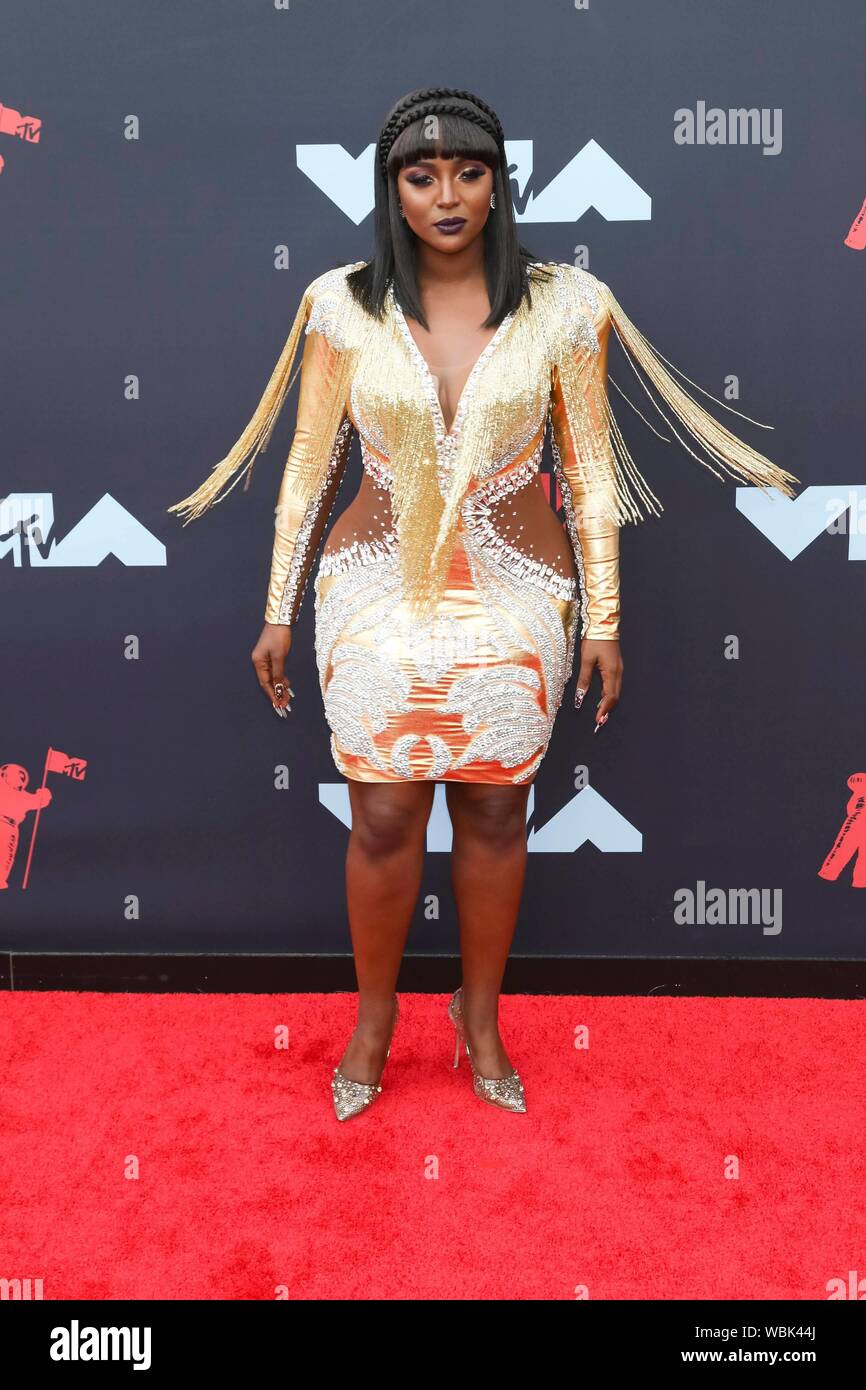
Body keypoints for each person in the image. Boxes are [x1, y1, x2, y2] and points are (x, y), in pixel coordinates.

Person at [168, 87, 800, 1121]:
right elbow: (304, 471)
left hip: (517, 589)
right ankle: (374, 1020)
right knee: (380, 809)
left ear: (500, 184)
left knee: (500, 804)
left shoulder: (566, 306)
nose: (447, 195)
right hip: (374, 585)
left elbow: (589, 474)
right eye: (421, 177)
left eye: (469, 173)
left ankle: (479, 1013)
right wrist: (278, 608)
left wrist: (601, 619)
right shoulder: (338, 303)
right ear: (392, 191)